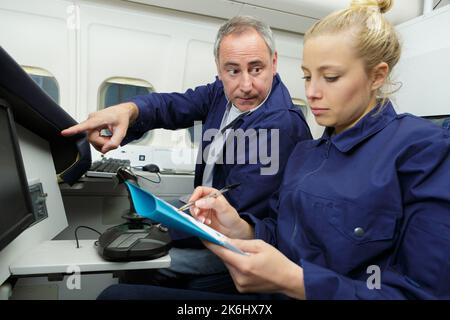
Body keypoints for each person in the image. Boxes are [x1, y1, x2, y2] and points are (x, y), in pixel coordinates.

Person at [97, 0, 450, 300]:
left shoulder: (422, 152)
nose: (311, 93)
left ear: (376, 76)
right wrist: (239, 227)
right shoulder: (307, 155)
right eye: (308, 76)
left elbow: (422, 293)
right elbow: (280, 234)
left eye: (330, 78)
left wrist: (296, 281)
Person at [62, 16, 311, 291]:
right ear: (218, 69)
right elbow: (170, 106)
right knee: (137, 252)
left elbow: (235, 218)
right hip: (210, 223)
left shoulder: (280, 126)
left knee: (145, 266)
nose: (246, 85)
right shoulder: (221, 93)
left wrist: (159, 230)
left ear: (274, 63)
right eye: (233, 71)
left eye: (256, 69)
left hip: (240, 245)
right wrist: (128, 110)